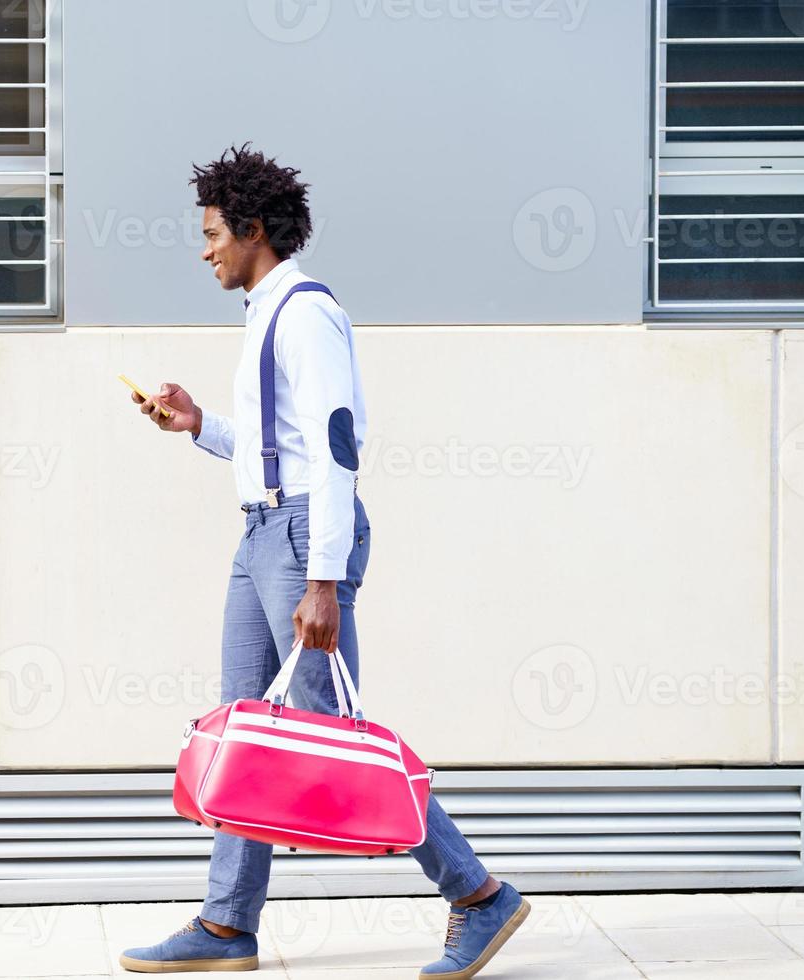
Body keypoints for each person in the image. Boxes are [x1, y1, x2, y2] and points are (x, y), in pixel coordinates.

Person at [118, 144, 530, 980]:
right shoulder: (264, 312)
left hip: (306, 540)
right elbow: (281, 451)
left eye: (211, 235)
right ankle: (228, 925)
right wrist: (198, 425)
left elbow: (337, 453)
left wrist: (323, 580)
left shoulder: (305, 313)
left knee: (336, 733)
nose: (204, 251)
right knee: (246, 731)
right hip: (264, 530)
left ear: (253, 231)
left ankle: (478, 894)